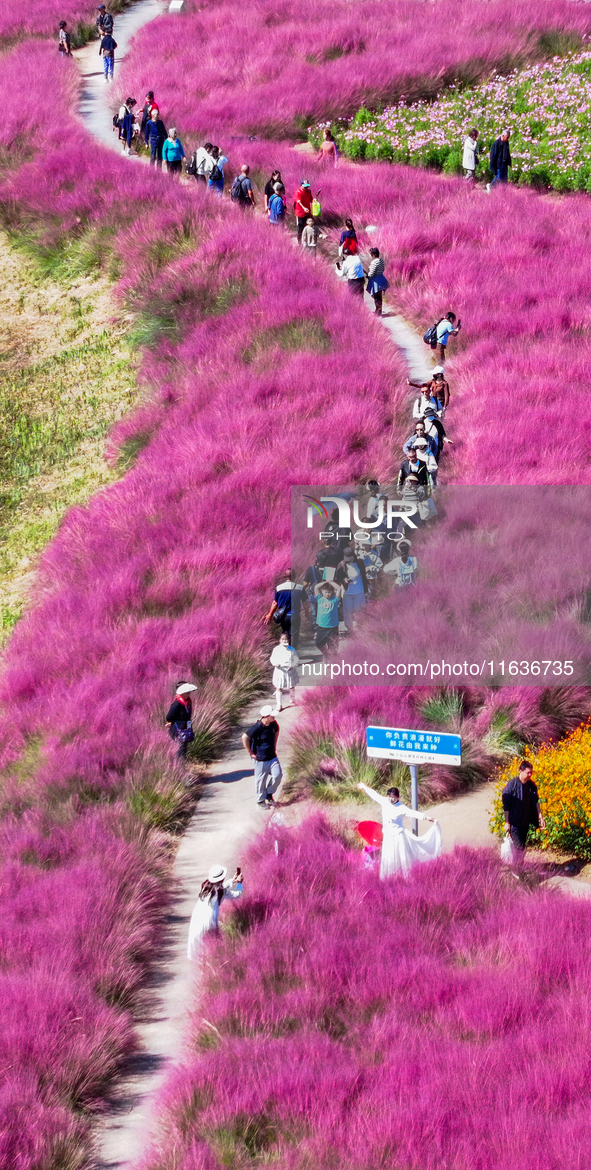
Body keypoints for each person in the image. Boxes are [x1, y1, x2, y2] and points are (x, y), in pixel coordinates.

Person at [357, 783, 440, 878]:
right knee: (389, 856)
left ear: (398, 797)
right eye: (389, 797)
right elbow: (375, 795)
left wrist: (427, 817)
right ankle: (390, 876)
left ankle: (403, 876)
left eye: (393, 797)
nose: (391, 799)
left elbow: (413, 813)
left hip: (398, 836)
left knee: (400, 856)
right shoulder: (385, 801)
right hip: (388, 835)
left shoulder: (401, 808)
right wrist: (364, 787)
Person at [187, 865, 243, 959]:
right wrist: (240, 884)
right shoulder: (221, 892)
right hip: (209, 921)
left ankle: (201, 964)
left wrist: (232, 881)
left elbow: (221, 886)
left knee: (199, 946)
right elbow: (237, 894)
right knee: (213, 945)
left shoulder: (206, 886)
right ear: (221, 878)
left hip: (198, 918)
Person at [502, 760, 545, 855]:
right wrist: (507, 822)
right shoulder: (512, 785)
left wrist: (540, 817)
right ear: (520, 771)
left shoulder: (531, 785)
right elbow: (506, 805)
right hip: (514, 823)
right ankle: (517, 868)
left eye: (531, 772)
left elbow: (535, 802)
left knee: (521, 847)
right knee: (519, 847)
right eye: (528, 772)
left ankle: (518, 866)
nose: (530, 775)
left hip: (525, 822)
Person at [242, 706, 282, 807]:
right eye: (271, 715)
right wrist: (250, 752)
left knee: (278, 775)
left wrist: (274, 744)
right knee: (260, 780)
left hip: (272, 756)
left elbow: (277, 731)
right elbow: (245, 737)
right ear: (265, 716)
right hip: (261, 758)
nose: (274, 717)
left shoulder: (273, 724)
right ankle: (260, 800)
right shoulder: (257, 727)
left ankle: (269, 793)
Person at [264, 572, 304, 649]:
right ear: (295, 576)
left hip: (283, 616)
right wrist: (307, 613)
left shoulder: (279, 588)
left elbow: (275, 603)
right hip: (295, 615)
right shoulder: (300, 588)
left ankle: (285, 651)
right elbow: (305, 603)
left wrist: (269, 615)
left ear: (284, 576)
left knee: (285, 634)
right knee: (294, 636)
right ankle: (292, 652)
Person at [335, 546, 368, 632]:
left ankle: (360, 628)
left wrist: (366, 590)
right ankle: (349, 629)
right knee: (347, 611)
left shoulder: (360, 563)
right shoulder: (341, 564)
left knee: (359, 611)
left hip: (359, 590)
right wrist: (344, 580)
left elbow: (364, 576)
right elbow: (338, 577)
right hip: (347, 592)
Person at [165, 681, 197, 758]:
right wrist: (171, 722)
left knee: (184, 748)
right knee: (179, 748)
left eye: (188, 692)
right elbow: (169, 717)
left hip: (185, 728)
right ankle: (178, 766)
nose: (188, 694)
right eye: (186, 692)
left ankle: (182, 765)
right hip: (177, 728)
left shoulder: (188, 701)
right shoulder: (177, 703)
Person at [270, 632, 299, 713]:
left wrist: (292, 665)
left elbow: (296, 659)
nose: (285, 641)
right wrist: (275, 664)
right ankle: (279, 705)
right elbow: (272, 659)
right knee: (279, 688)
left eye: (286, 639)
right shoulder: (276, 649)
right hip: (280, 671)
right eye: (283, 639)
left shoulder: (292, 649)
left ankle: (292, 699)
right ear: (279, 640)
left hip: (290, 671)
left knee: (291, 686)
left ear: (289, 640)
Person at [313, 580, 344, 654]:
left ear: (332, 592)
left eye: (329, 592)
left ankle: (333, 660)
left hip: (333, 627)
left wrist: (331, 582)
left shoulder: (335, 599)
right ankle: (327, 654)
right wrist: (325, 582)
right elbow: (316, 587)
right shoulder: (320, 598)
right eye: (326, 592)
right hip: (322, 627)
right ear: (322, 592)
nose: (327, 594)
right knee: (319, 644)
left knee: (333, 646)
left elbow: (339, 588)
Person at [366, 247, 389, 316]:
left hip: (376, 281)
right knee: (380, 296)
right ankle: (379, 310)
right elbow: (383, 269)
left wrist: (368, 274)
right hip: (381, 279)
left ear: (373, 254)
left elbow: (371, 273)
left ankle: (378, 312)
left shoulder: (374, 262)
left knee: (376, 297)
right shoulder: (381, 260)